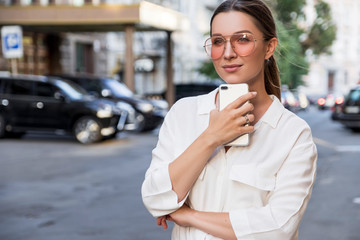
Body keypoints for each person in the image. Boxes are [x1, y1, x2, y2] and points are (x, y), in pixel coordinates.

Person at [141, 0, 317, 239]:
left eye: (242, 39)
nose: (227, 53)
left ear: (269, 47)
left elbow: (277, 228)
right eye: (217, 41)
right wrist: (210, 138)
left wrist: (190, 216)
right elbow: (154, 198)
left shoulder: (293, 133)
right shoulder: (183, 113)